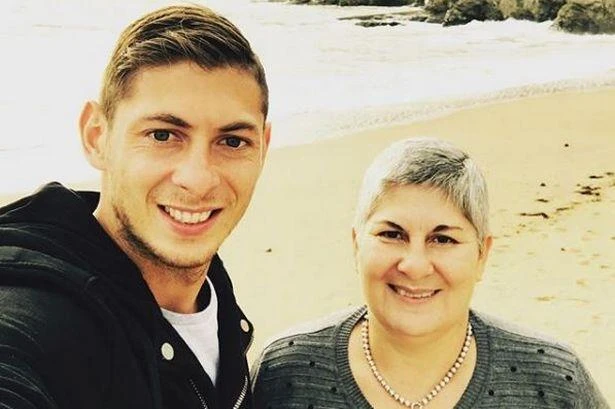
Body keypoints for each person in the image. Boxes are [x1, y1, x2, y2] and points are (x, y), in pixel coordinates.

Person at [0, 4, 270, 409]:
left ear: (263, 147)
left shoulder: (217, 301)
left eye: (232, 141)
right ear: (96, 136)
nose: (198, 178)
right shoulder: (41, 312)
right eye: (163, 135)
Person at [252, 137, 609, 408]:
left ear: (482, 255)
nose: (414, 265)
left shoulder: (554, 379)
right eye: (392, 234)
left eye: (443, 239)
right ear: (357, 245)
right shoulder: (287, 370)